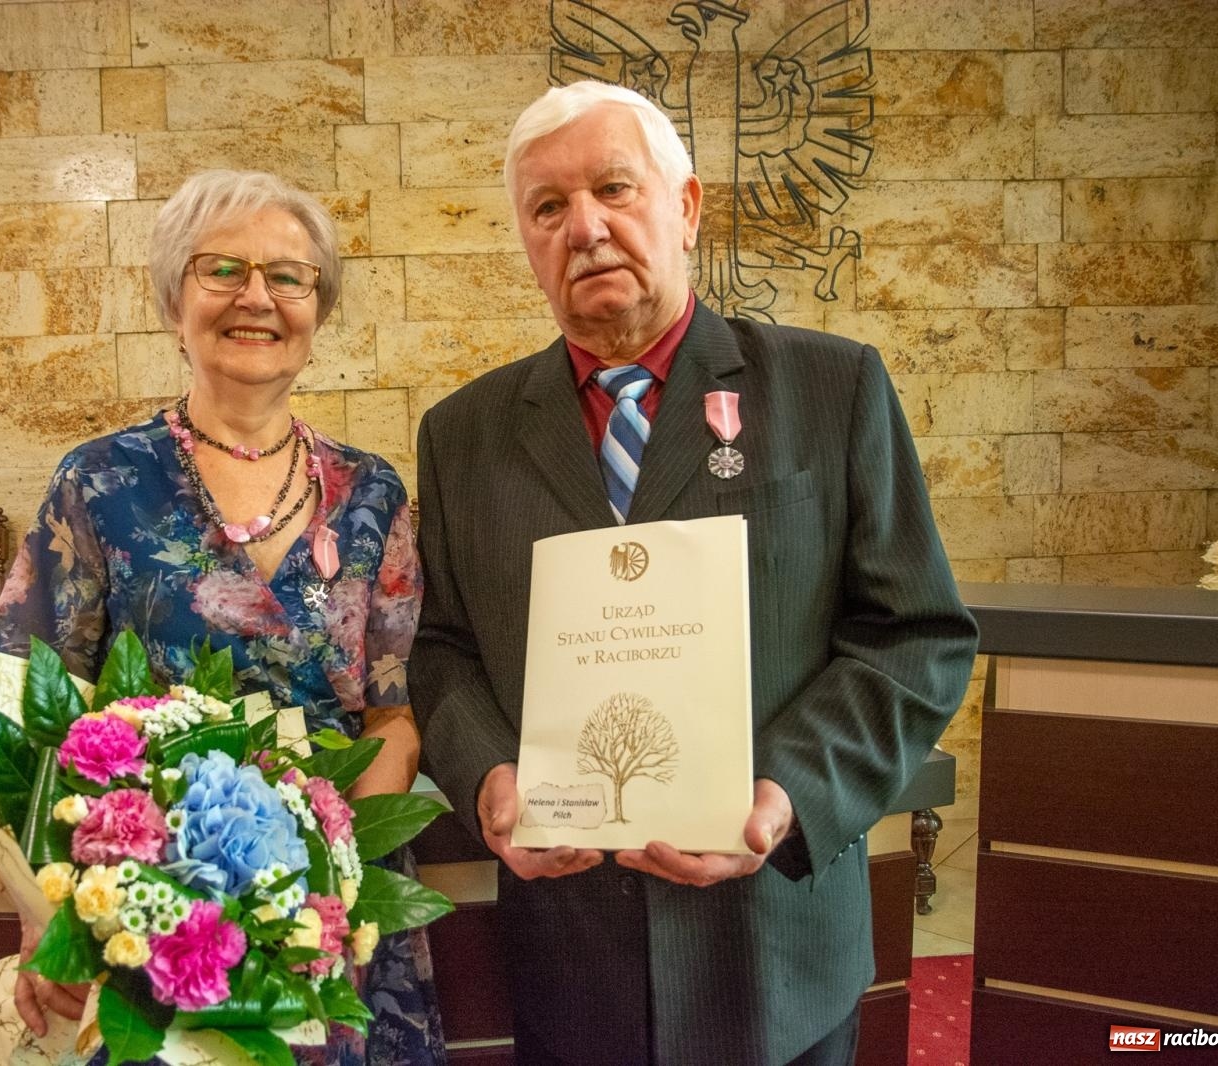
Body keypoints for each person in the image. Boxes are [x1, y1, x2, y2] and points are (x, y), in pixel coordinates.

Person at [409, 82, 978, 1066]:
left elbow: (912, 637)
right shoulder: (462, 435)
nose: (583, 227)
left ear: (686, 207)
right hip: (570, 961)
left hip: (775, 955)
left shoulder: (831, 390)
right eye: (547, 208)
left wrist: (784, 794)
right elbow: (444, 648)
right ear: (524, 240)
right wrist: (488, 776)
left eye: (614, 189)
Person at [0, 169, 447, 1066]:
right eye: (222, 270)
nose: (258, 298)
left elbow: (393, 713)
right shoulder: (99, 482)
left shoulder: (373, 492)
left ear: (318, 307)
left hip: (334, 924)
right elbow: (21, 713)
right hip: (152, 918)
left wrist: (323, 887)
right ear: (173, 298)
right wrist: (46, 919)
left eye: (289, 276)